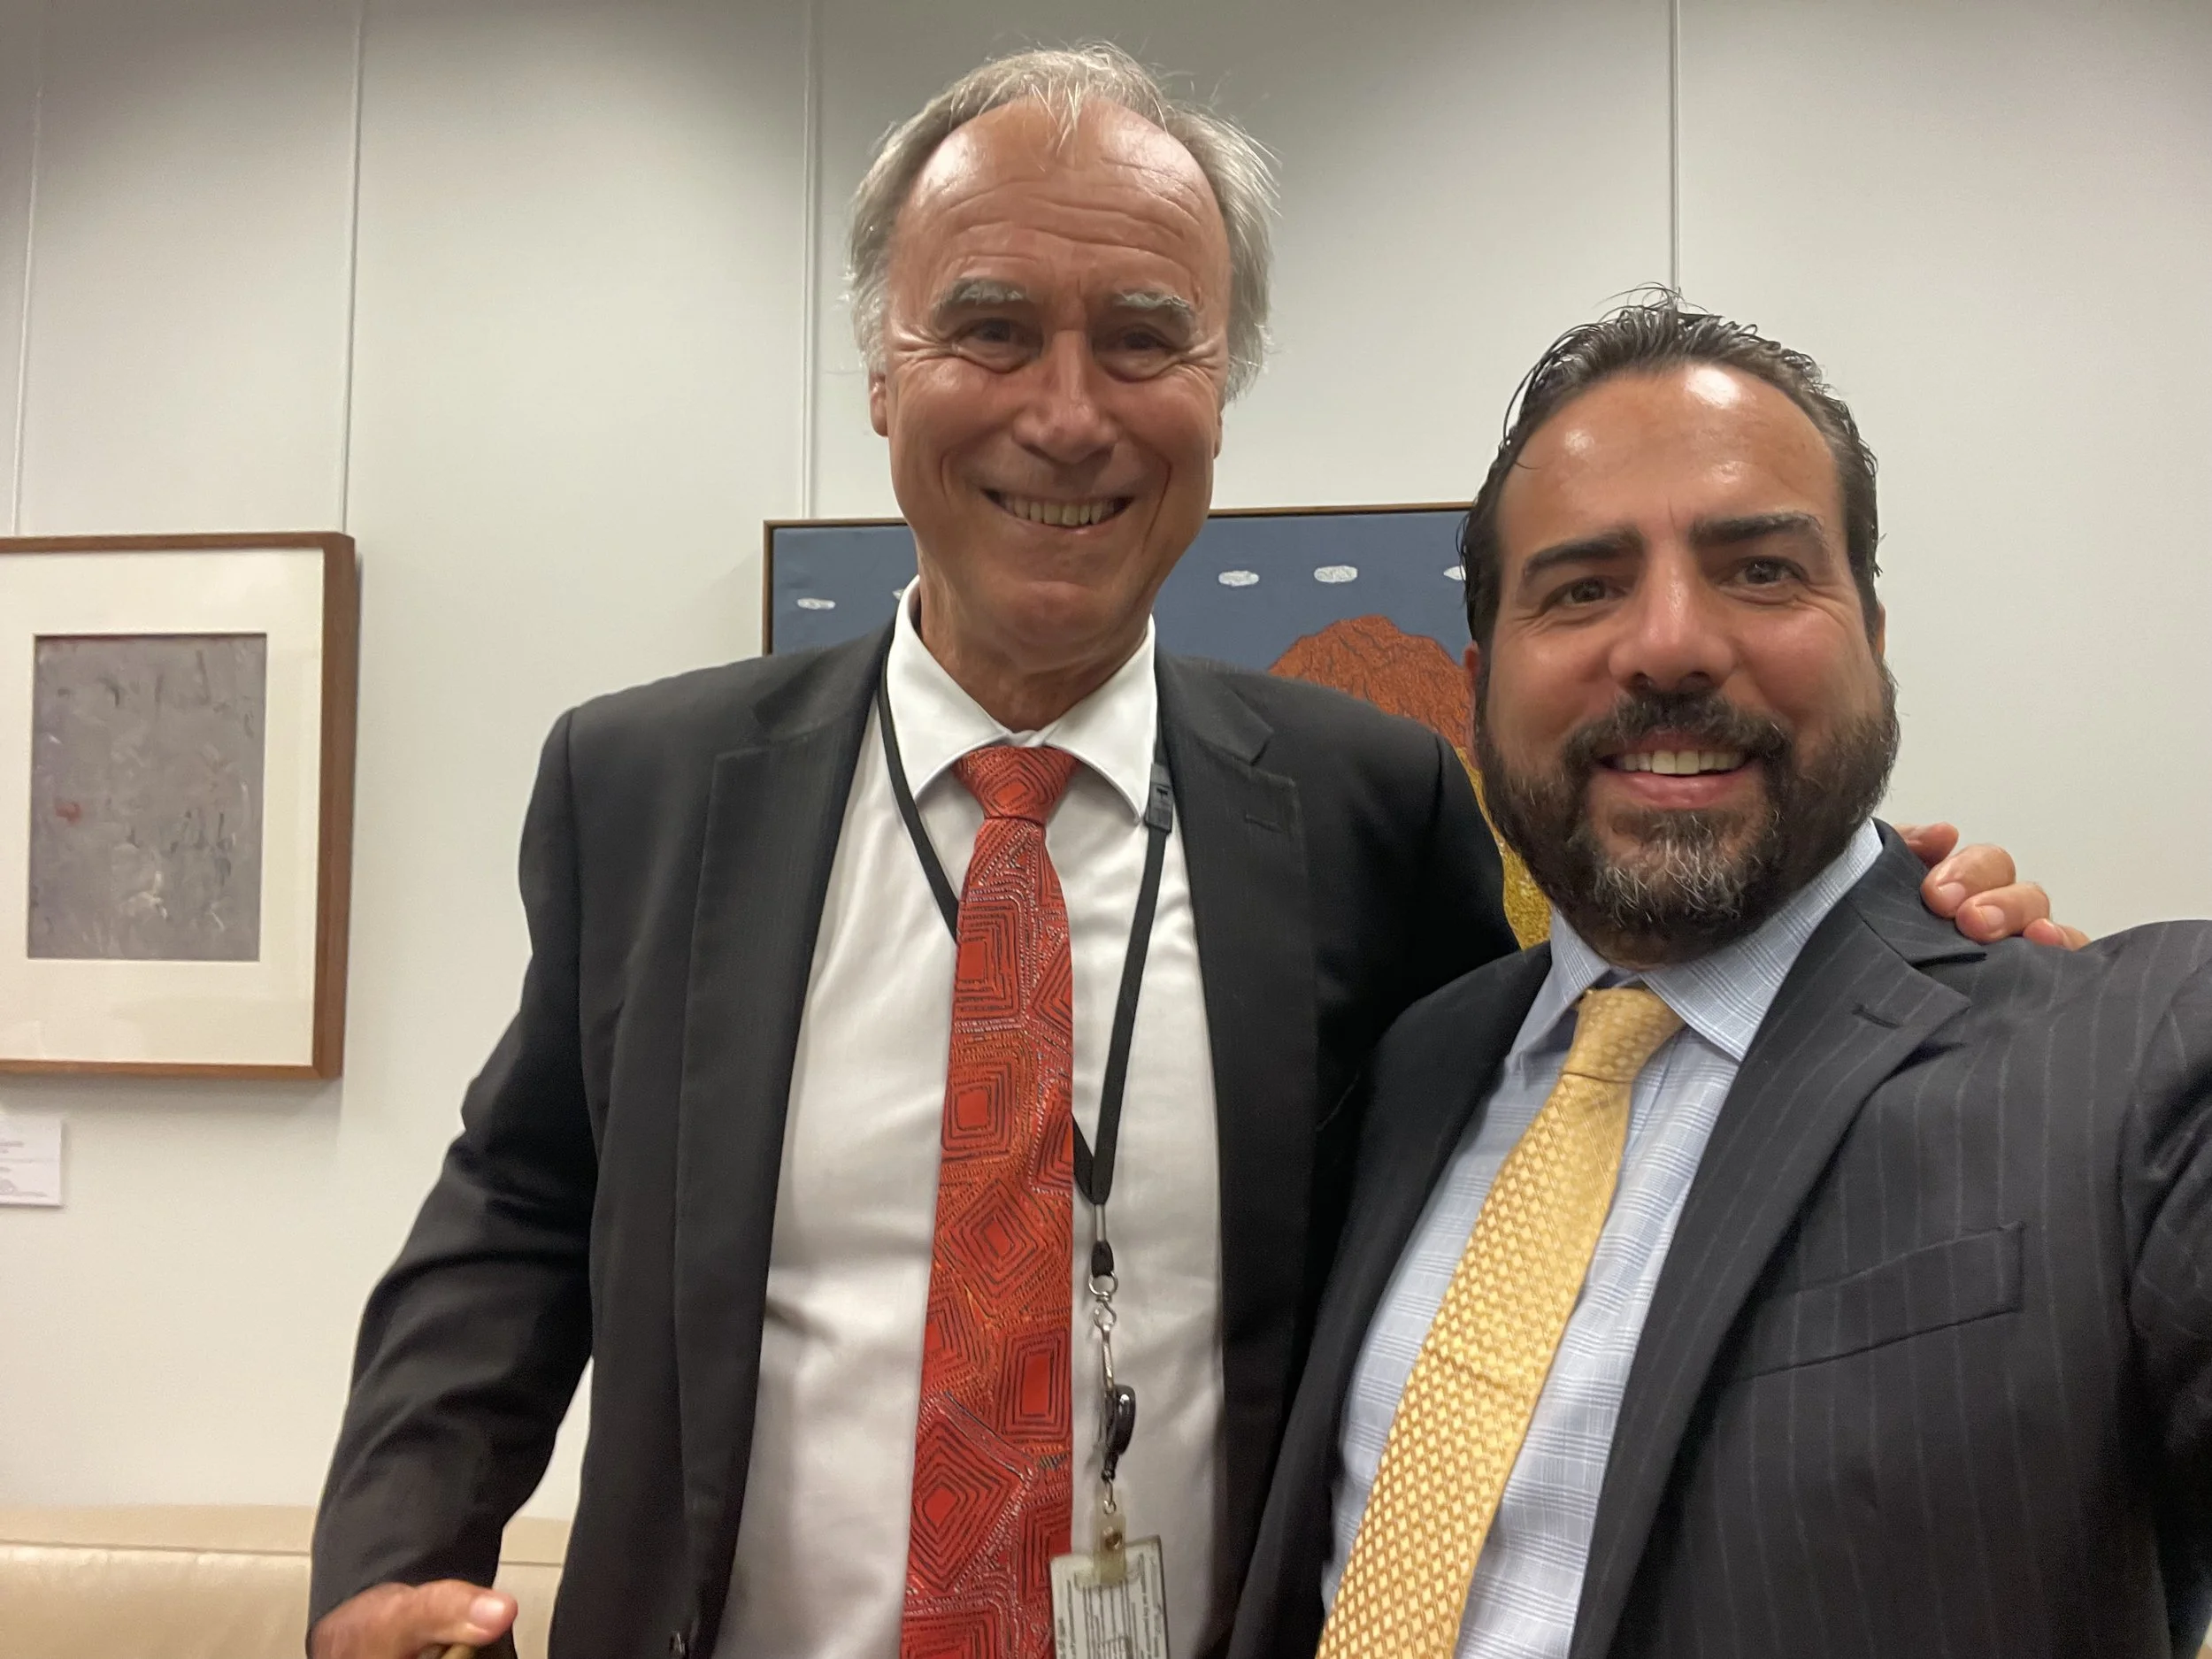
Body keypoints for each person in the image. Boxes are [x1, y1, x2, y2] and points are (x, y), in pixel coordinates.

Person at [306, 53, 2064, 1659]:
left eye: (1144, 340)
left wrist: (1865, 938)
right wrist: (393, 1553)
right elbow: (521, 1204)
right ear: (883, 376)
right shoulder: (651, 789)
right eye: (992, 330)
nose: (1069, 413)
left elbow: (1573, 1122)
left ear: (1219, 391)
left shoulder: (1373, 804)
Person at [1228, 296, 2212, 1659]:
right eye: (1583, 587)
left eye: (1759, 569)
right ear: (1480, 686)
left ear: (1872, 634)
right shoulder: (1409, 1072)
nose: (1671, 642)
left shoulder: (2138, 1057)